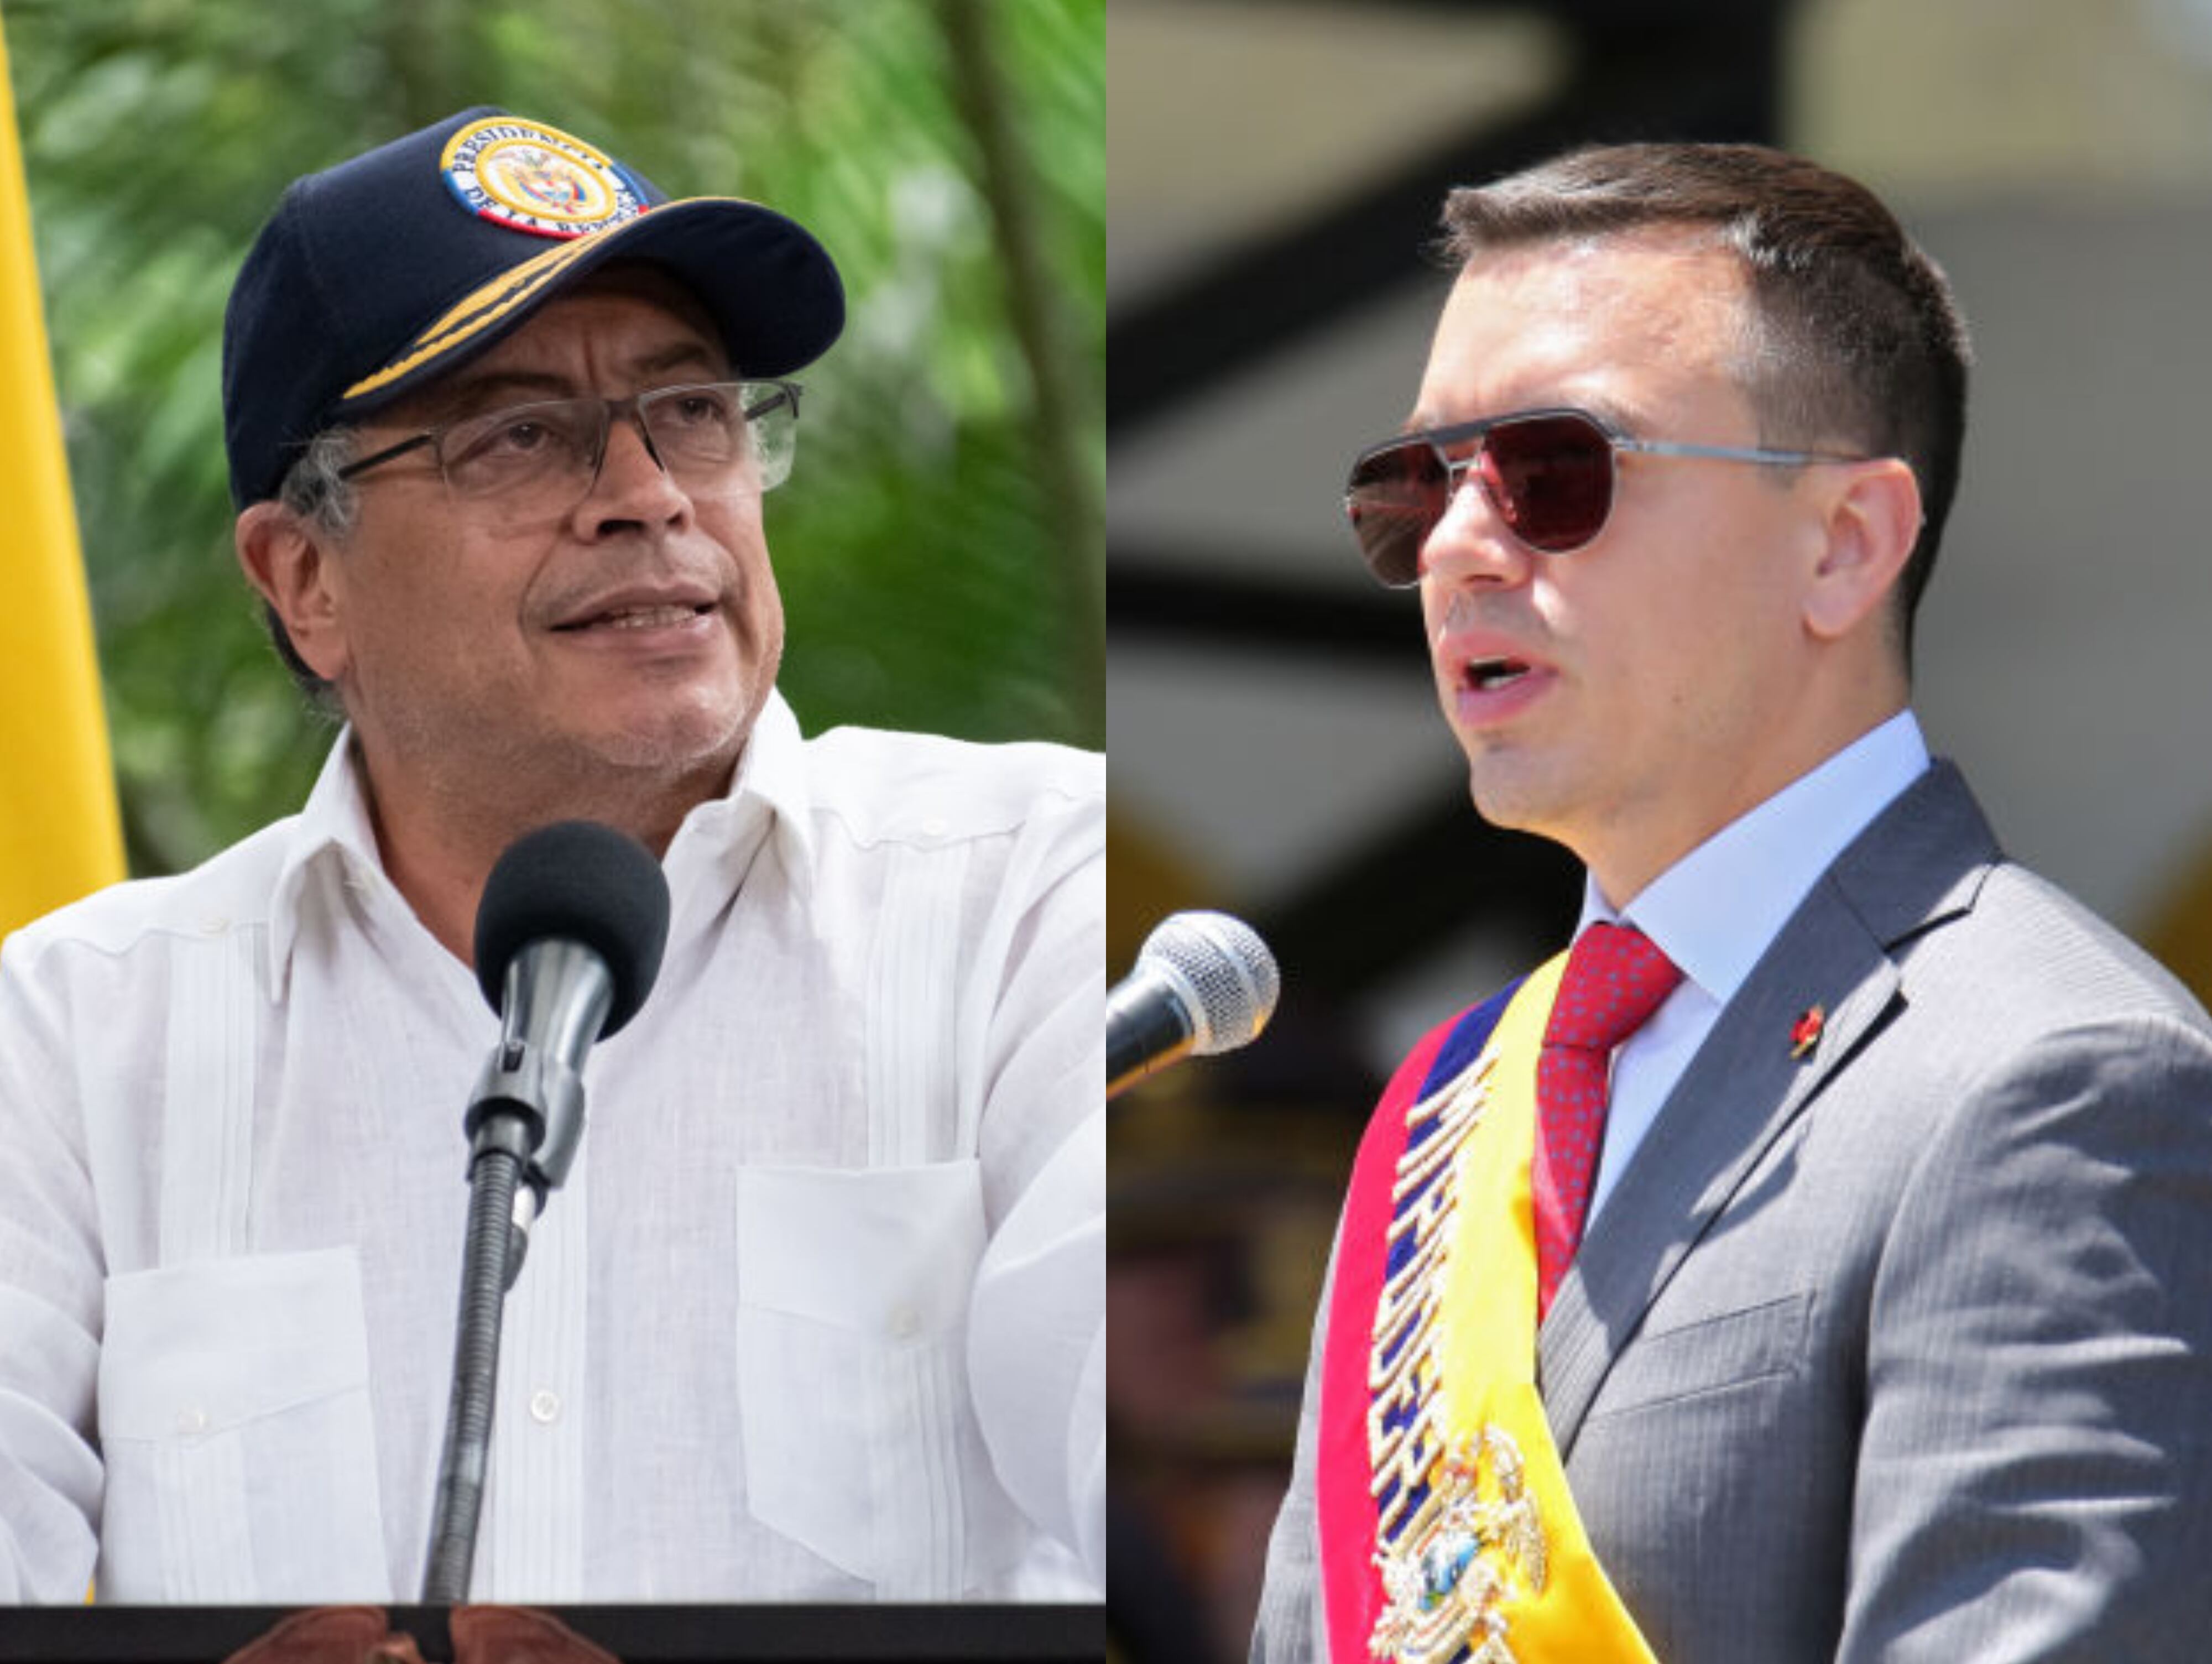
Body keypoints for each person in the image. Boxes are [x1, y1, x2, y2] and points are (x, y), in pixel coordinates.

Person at [0, 108, 1103, 1605]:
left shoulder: (1029, 894)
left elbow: (1153, 1458)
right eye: (519, 434)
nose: (648, 490)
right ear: (306, 578)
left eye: (694, 410)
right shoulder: (71, 1036)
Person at [1250, 142, 2212, 1663]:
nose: (1454, 542)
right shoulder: (1440, 1109)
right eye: (1414, 484)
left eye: (1555, 469)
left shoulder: (2053, 1073)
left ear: (1844, 544)